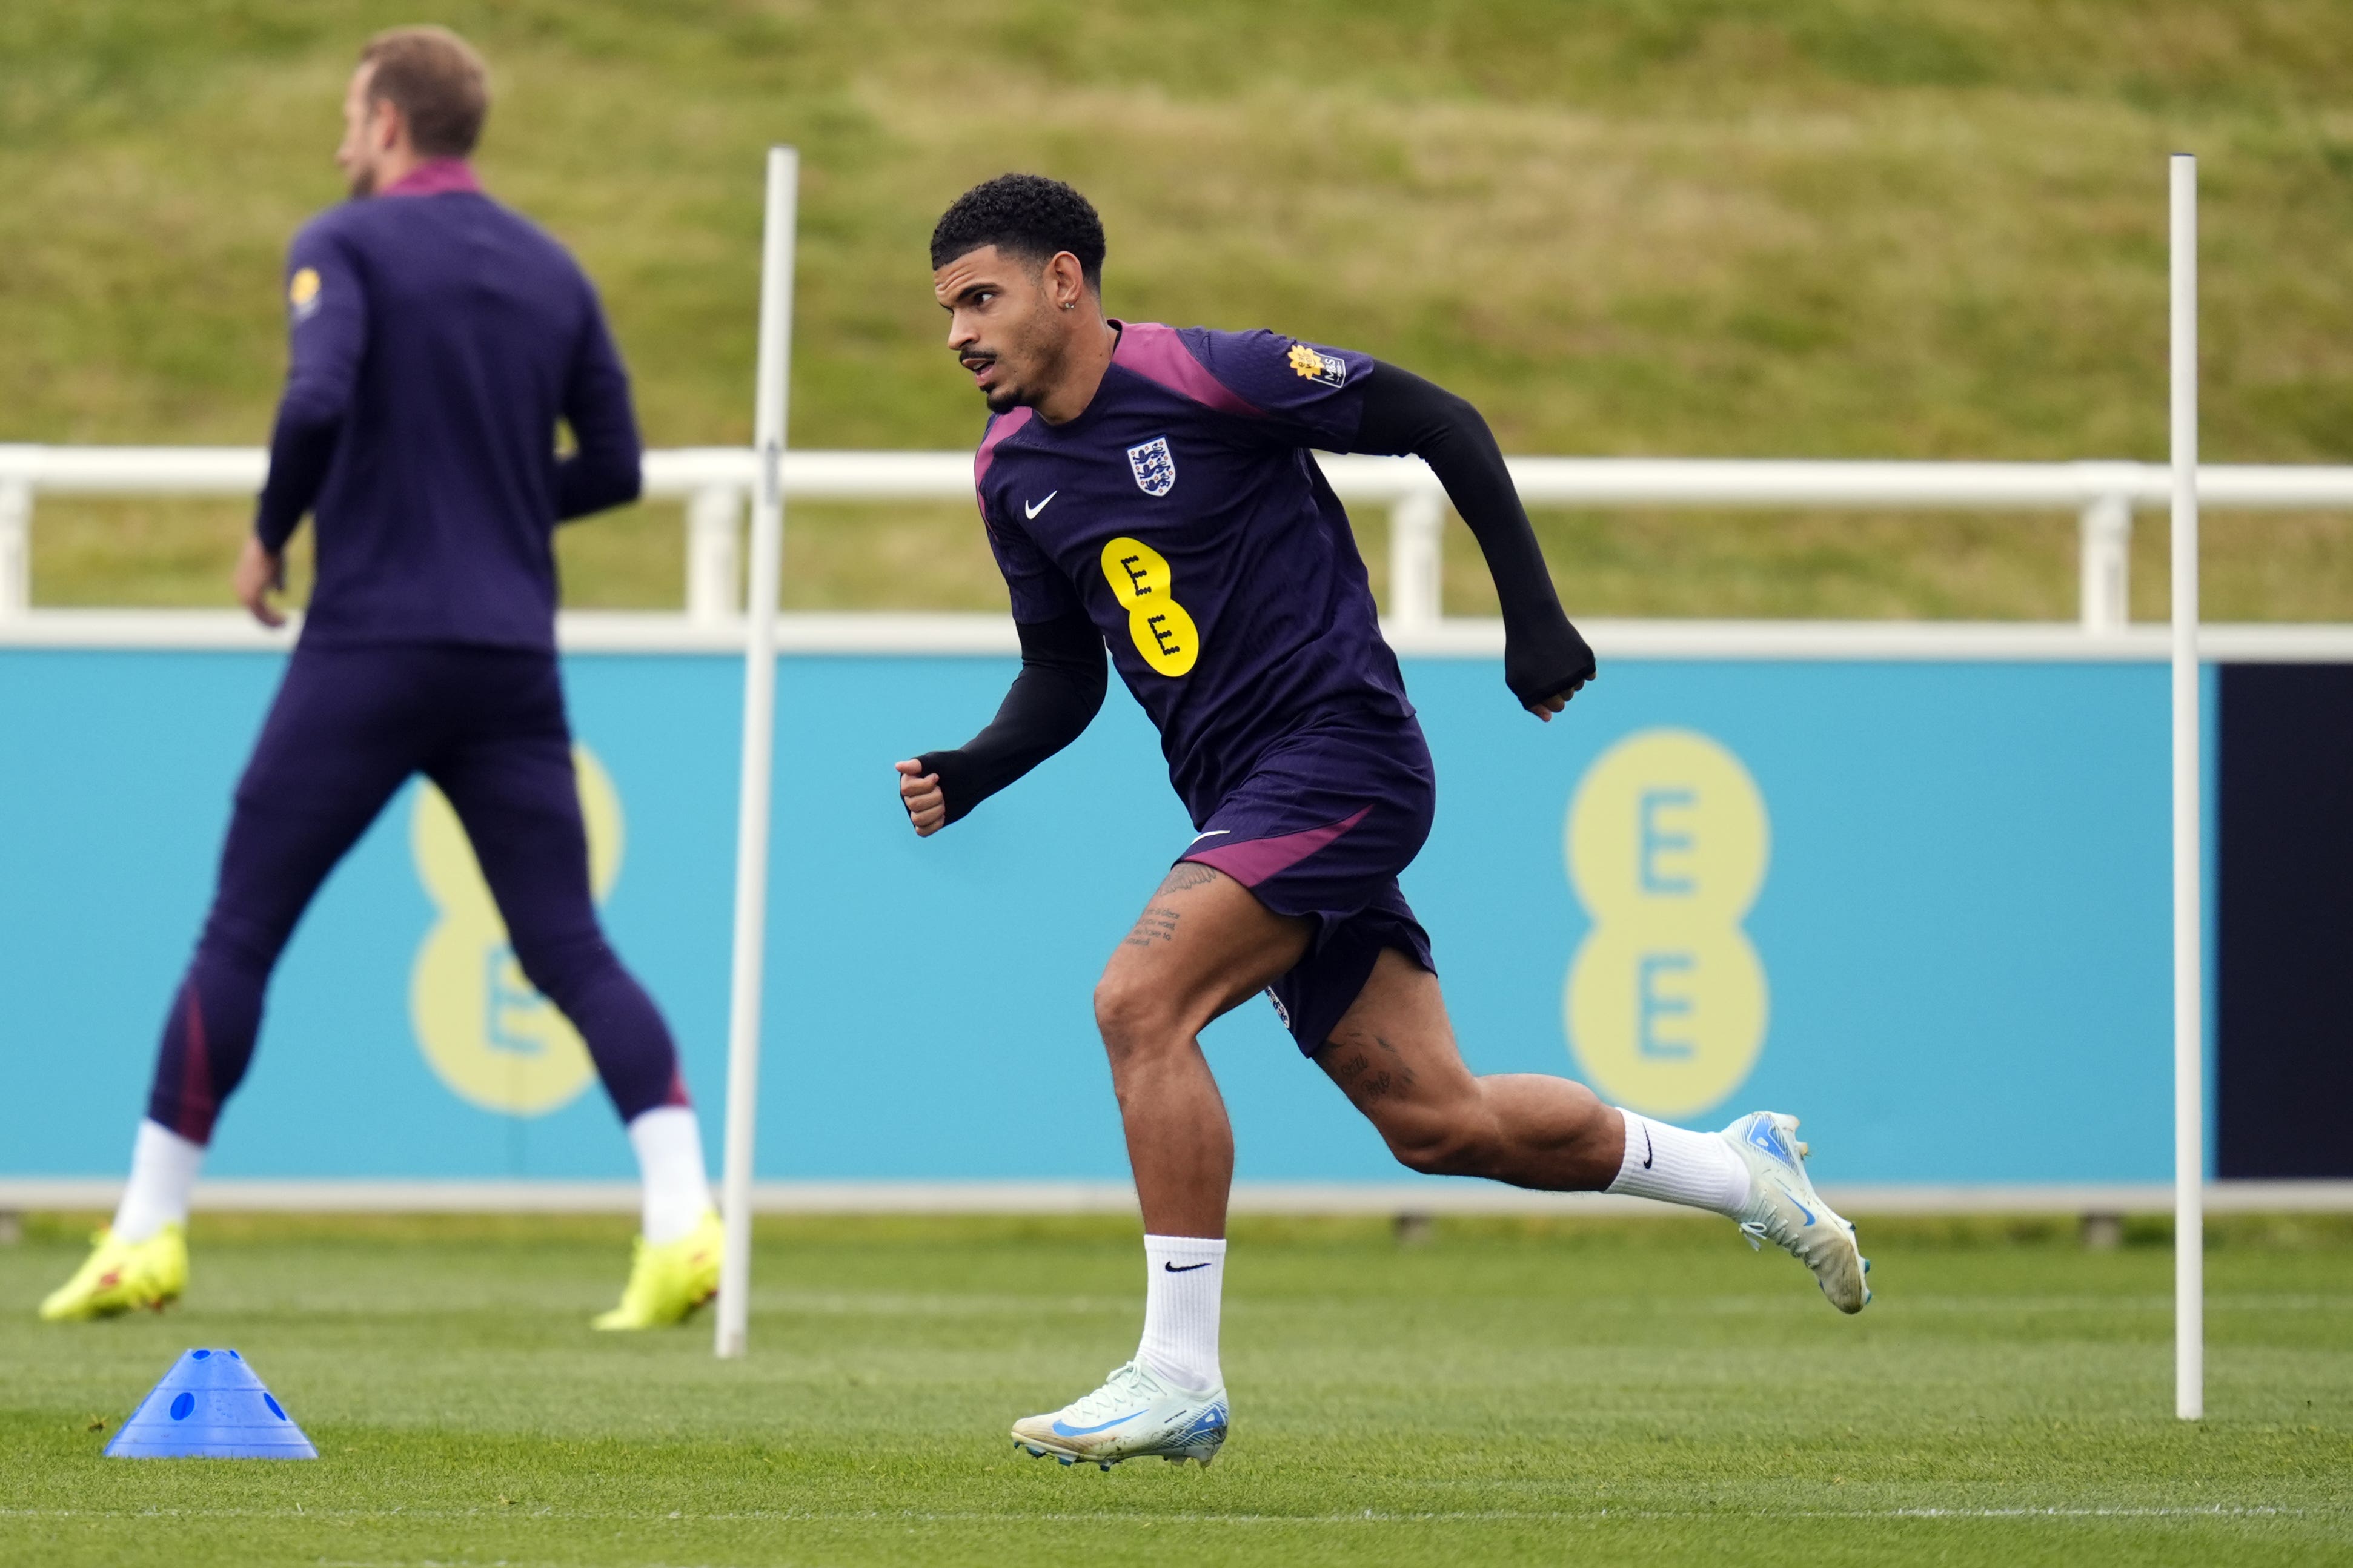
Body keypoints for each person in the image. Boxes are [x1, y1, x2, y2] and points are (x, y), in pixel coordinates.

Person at [901, 174, 1871, 1470]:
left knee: (1139, 1001)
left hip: (1340, 759)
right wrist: (977, 768)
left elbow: (1440, 418)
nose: (960, 330)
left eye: (982, 296)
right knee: (1438, 1118)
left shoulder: (1214, 376)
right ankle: (1736, 1168)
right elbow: (1067, 671)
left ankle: (1178, 1371)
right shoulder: (1009, 472)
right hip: (1243, 800)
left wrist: (1531, 616)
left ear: (1065, 281)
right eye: (946, 309)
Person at [41, 26, 720, 1331]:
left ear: (394, 123)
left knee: (240, 929)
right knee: (568, 942)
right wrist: (504, 508)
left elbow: (314, 400)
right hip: (509, 654)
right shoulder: (552, 265)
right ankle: (684, 1216)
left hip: (368, 643)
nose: (339, 140)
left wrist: (267, 533)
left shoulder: (339, 242)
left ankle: (145, 1230)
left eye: (352, 115)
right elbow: (620, 465)